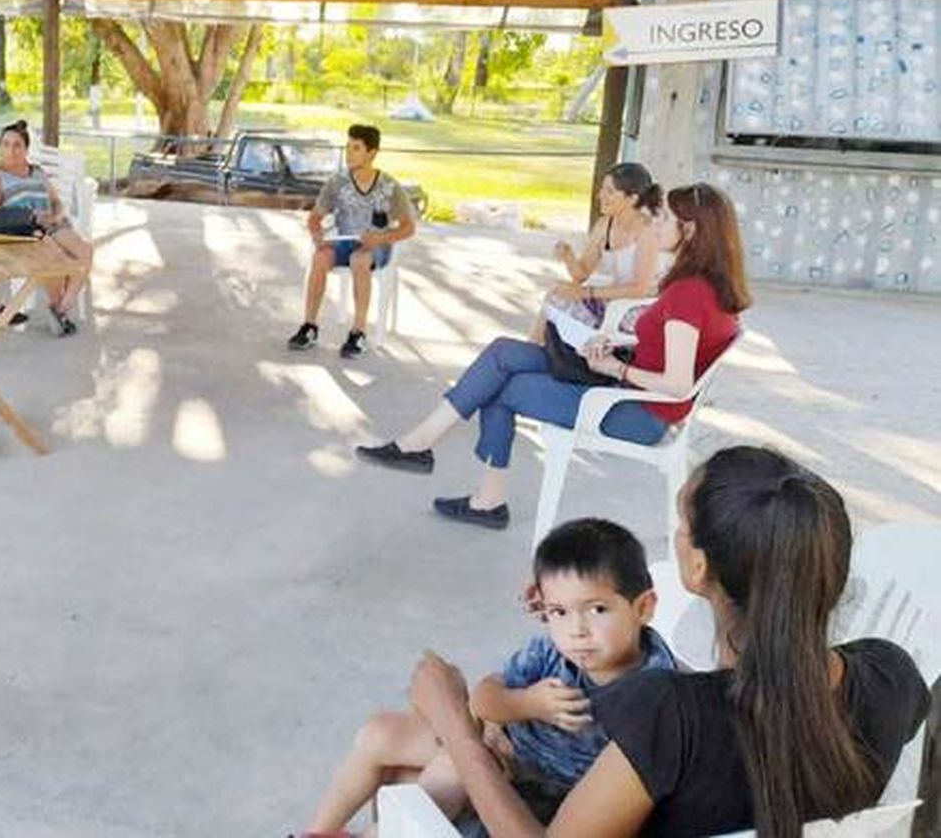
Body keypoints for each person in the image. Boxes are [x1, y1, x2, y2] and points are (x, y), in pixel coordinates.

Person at [402, 446, 929, 837]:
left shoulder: (670, 717)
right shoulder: (892, 677)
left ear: (698, 567)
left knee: (414, 785)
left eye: (681, 520)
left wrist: (458, 726)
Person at [359, 183, 748, 532]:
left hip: (636, 412)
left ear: (692, 230)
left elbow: (677, 383)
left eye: (666, 217)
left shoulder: (689, 294)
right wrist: (612, 347)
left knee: (503, 387)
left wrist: (616, 366)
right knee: (502, 352)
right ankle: (423, 446)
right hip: (630, 388)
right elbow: (667, 353)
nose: (657, 222)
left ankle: (479, 493)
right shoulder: (706, 287)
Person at [305, 519, 675, 836]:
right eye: (559, 611)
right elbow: (485, 697)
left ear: (643, 608)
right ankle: (316, 833)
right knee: (380, 731)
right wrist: (527, 703)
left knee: (441, 773)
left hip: (544, 792)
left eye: (596, 609)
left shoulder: (655, 691)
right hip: (504, 747)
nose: (577, 630)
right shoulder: (552, 651)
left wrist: (481, 735)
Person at [288, 124, 417, 359]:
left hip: (376, 246)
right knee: (320, 257)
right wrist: (317, 234)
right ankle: (309, 326)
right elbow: (315, 218)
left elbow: (409, 228)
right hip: (344, 241)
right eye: (348, 147)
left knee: (360, 259)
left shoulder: (389, 186)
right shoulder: (337, 182)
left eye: (356, 148)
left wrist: (381, 237)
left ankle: (358, 333)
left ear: (372, 152)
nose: (349, 153)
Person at [0, 119, 93, 336]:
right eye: (5, 144)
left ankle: (60, 308)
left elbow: (56, 200)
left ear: (26, 149)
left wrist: (56, 215)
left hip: (52, 225)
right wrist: (29, 219)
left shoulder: (37, 171)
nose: (10, 150)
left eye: (17, 145)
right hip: (23, 231)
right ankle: (60, 313)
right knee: (58, 258)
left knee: (85, 251)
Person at [530, 163, 662, 343]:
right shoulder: (604, 225)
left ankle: (547, 354)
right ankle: (531, 349)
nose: (600, 195)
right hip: (612, 302)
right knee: (556, 293)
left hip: (637, 312)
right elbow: (581, 274)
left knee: (566, 309)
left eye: (609, 191)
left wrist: (586, 293)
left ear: (632, 199)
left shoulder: (647, 231)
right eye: (602, 189)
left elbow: (639, 289)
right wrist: (568, 256)